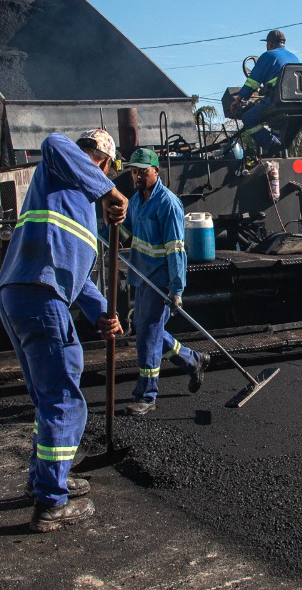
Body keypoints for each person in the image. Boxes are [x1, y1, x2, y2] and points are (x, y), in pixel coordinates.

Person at [0, 128, 129, 533]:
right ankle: (52, 502)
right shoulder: (57, 167)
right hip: (38, 293)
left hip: (20, 293)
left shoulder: (83, 211)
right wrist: (107, 190)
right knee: (65, 401)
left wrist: (103, 313)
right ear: (102, 164)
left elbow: (80, 278)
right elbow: (54, 141)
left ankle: (47, 474)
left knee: (46, 397)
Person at [118, 147, 209, 416]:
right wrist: (109, 227)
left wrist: (176, 288)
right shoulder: (136, 200)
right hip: (143, 277)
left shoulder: (167, 204)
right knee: (148, 330)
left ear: (155, 171)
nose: (137, 176)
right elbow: (127, 232)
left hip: (161, 282)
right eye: (134, 171)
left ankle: (146, 395)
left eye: (142, 171)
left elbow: (176, 248)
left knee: (146, 335)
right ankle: (193, 361)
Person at [229, 29, 300, 154]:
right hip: (297, 103)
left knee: (248, 118)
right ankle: (281, 149)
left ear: (271, 44)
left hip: (278, 101)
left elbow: (253, 81)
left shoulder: (268, 56)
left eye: (267, 44)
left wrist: (238, 100)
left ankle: (272, 145)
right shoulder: (294, 57)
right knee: (276, 123)